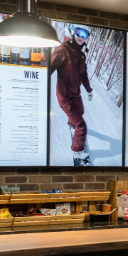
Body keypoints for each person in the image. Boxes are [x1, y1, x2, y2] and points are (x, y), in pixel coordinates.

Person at [50, 25, 93, 166]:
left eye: (85, 35)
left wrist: (89, 90)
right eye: (79, 32)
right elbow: (49, 67)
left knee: (80, 112)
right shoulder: (63, 49)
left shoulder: (81, 55)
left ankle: (71, 123)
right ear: (72, 31)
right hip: (65, 97)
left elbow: (84, 75)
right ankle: (78, 152)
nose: (81, 37)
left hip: (76, 94)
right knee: (81, 126)